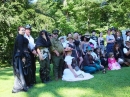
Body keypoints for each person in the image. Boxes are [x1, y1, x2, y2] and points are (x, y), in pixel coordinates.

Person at [12, 26, 32, 93]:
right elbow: (20, 47)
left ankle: (25, 85)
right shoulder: (20, 37)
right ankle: (21, 87)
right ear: (18, 31)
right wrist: (23, 57)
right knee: (21, 72)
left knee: (24, 71)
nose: (23, 31)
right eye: (22, 30)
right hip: (21, 56)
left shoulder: (22, 37)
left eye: (24, 30)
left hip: (24, 55)